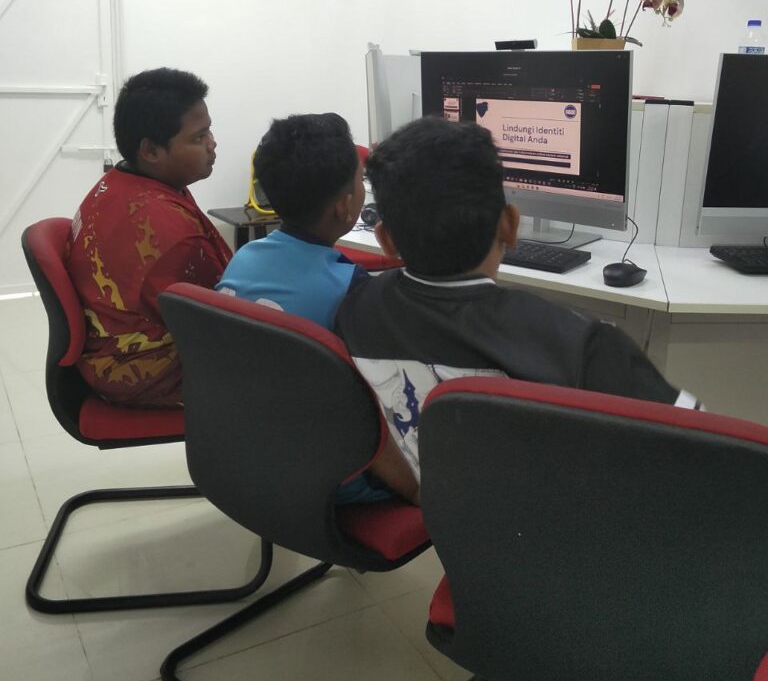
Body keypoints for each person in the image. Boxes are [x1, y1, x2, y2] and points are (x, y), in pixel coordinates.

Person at [336, 117, 700, 480]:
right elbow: (702, 451)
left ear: (386, 241)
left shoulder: (353, 312)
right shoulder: (584, 346)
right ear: (511, 226)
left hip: (433, 502)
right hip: (549, 513)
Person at [217, 113, 419, 505]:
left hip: (250, 454)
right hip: (333, 480)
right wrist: (415, 489)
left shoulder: (244, 257)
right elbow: (377, 410)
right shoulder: (349, 290)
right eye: (360, 182)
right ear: (345, 207)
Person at [66, 68, 231, 407]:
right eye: (198, 137)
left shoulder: (120, 181)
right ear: (151, 150)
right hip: (142, 370)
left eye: (209, 130)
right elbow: (223, 321)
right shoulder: (169, 234)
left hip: (111, 343)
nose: (212, 143)